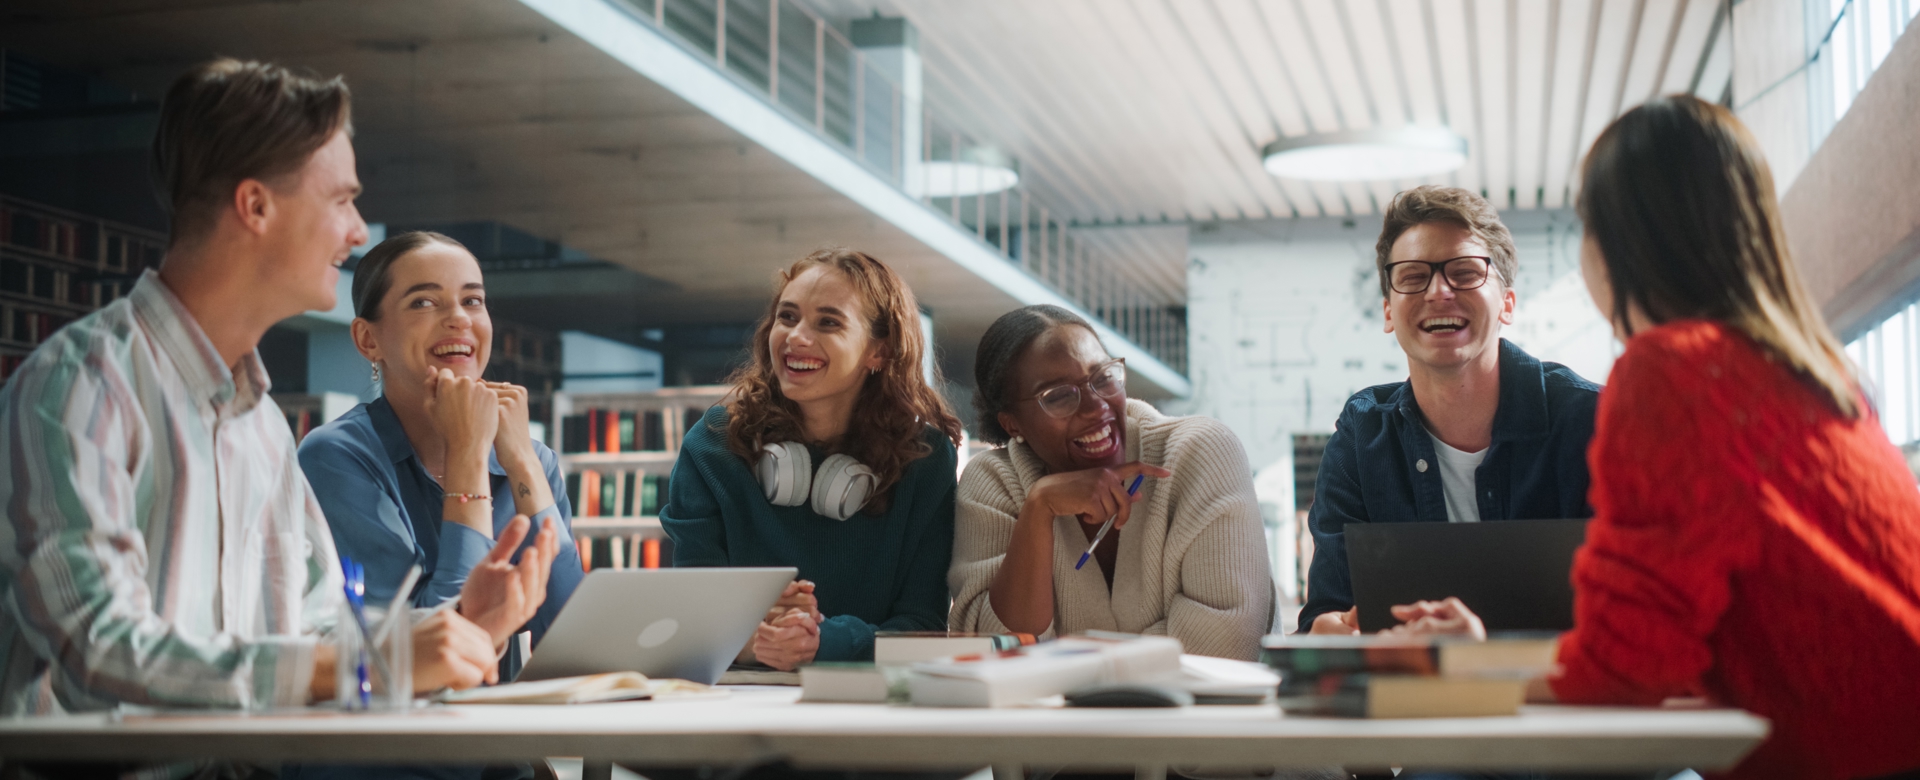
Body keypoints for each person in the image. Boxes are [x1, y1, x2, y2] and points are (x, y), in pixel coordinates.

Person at [0, 59, 540, 733]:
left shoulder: (259, 423)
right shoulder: (82, 386)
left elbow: (316, 627)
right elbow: (97, 643)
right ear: (255, 206)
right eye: (341, 200)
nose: (356, 232)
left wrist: (457, 625)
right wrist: (359, 667)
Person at [1397, 95, 1920, 780]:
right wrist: (1484, 657)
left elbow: (1623, 671)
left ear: (1617, 244)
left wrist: (1458, 678)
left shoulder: (1671, 373)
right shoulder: (1816, 374)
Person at [1298, 185, 1600, 636]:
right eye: (1413, 276)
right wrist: (1327, 634)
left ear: (1508, 304)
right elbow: (1326, 613)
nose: (1439, 292)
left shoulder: (1592, 421)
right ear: (1387, 311)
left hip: (1563, 704)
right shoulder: (1361, 436)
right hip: (1414, 700)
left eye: (1464, 272)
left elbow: (1636, 618)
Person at [661, 248, 962, 669]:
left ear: (879, 351)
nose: (796, 337)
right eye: (787, 317)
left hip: (867, 704)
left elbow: (923, 626)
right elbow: (690, 618)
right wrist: (755, 641)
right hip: (737, 702)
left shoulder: (925, 459)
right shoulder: (714, 444)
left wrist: (822, 641)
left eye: (828, 322)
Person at [298, 231, 581, 672]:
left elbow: (569, 634)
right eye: (424, 303)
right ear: (368, 340)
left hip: (499, 732)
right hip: (402, 730)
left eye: (472, 301)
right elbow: (428, 651)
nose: (459, 319)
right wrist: (466, 454)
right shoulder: (334, 456)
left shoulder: (531, 457)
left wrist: (523, 460)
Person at [949, 305, 1273, 661]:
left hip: (1201, 715)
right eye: (1058, 396)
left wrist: (1061, 658)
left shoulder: (1200, 452)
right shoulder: (994, 482)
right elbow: (991, 651)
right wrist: (1038, 509)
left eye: (1103, 377)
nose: (1095, 406)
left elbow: (1225, 645)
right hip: (1047, 718)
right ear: (1012, 424)